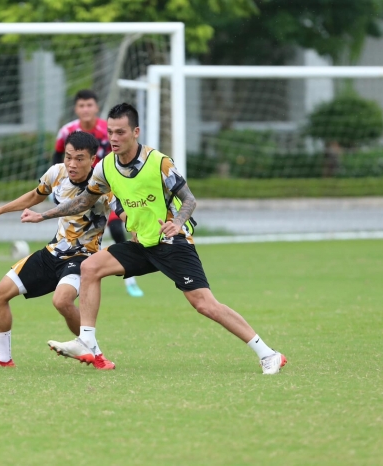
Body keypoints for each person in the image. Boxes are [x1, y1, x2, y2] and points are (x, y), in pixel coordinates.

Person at [21, 103, 287, 375]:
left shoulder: (159, 162)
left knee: (204, 304)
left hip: (172, 243)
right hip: (141, 245)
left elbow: (189, 200)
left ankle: (268, 353)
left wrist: (178, 223)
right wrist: (44, 215)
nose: (114, 138)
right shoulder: (105, 167)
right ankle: (86, 340)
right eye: (111, 132)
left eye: (120, 132)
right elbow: (82, 202)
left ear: (135, 132)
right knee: (90, 267)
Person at [0, 131, 119, 370]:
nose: (72, 164)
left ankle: (96, 355)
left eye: (80, 158)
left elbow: (121, 211)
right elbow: (35, 195)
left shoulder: (103, 185)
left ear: (93, 160)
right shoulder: (57, 172)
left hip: (82, 257)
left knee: (62, 301)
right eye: (69, 157)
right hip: (53, 252)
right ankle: (3, 359)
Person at [54, 89, 144, 298]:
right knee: (74, 231)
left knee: (116, 226)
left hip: (108, 188)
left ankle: (130, 278)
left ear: (96, 107)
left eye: (89, 105)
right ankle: (69, 272)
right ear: (76, 109)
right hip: (78, 190)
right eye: (81, 106)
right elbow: (57, 155)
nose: (85, 109)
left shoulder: (109, 130)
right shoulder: (67, 131)